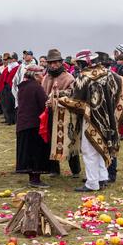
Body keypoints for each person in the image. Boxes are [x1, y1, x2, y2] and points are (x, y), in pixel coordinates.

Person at [48, 50, 123, 192]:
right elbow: (122, 83)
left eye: (78, 63)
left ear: (83, 63)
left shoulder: (83, 77)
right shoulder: (108, 73)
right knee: (101, 146)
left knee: (89, 151)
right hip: (107, 118)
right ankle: (102, 178)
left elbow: (76, 101)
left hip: (92, 119)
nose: (77, 66)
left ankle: (92, 183)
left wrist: (59, 99)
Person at [41, 49, 80, 179]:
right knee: (51, 141)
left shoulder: (69, 77)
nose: (53, 65)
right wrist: (46, 102)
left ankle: (75, 170)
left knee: (69, 140)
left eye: (56, 62)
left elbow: (73, 94)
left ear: (61, 62)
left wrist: (57, 98)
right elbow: (43, 94)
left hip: (66, 114)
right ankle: (54, 169)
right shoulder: (46, 78)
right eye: (51, 63)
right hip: (50, 113)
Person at [16, 64, 51, 188]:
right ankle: (35, 179)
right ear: (36, 75)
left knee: (28, 152)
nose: (43, 76)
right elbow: (44, 104)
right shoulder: (36, 87)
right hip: (34, 123)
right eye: (41, 74)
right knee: (35, 153)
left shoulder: (23, 87)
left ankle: (32, 177)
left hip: (23, 123)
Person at [0, 52, 19, 125]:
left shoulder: (18, 67)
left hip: (13, 87)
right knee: (6, 104)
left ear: (15, 59)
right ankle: (8, 119)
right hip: (6, 88)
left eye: (10, 59)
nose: (8, 60)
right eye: (8, 59)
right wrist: (0, 89)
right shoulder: (8, 68)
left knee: (12, 105)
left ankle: (13, 120)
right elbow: (2, 79)